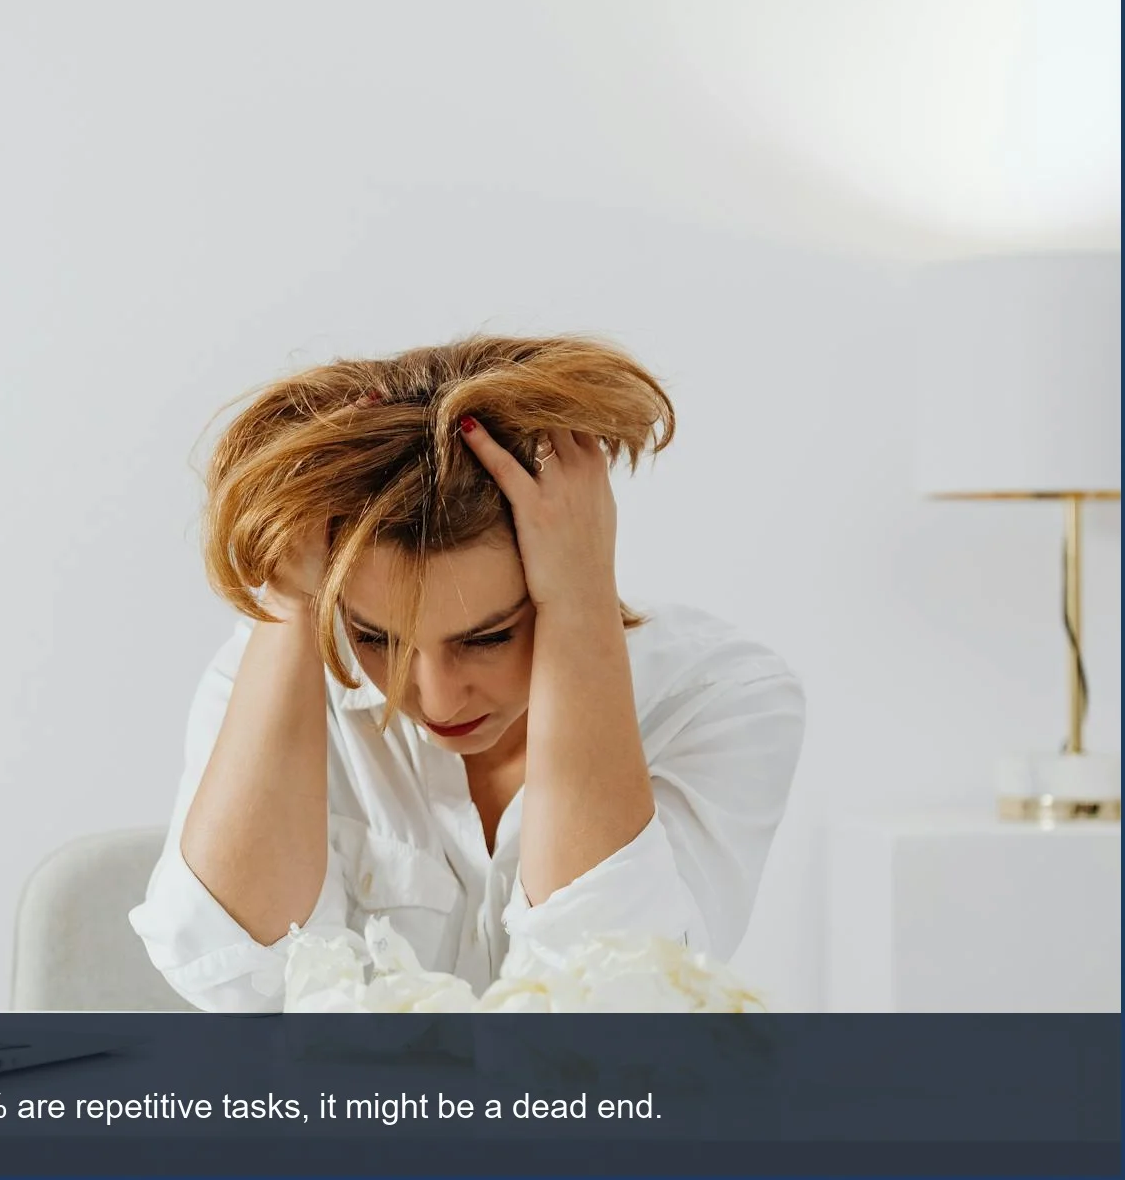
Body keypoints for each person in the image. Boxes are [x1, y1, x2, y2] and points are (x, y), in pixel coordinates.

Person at [129, 334, 805, 1011]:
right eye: (376, 637)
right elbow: (228, 979)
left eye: (487, 638)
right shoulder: (287, 672)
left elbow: (611, 1003)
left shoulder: (720, 698)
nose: (436, 699)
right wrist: (290, 593)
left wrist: (580, 599)